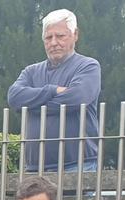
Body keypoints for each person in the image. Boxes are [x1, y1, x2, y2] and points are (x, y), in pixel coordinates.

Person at [7, 9, 101, 172]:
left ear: (75, 35)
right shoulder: (31, 71)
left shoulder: (88, 66)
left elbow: (77, 98)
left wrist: (33, 105)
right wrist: (52, 90)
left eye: (60, 36)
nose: (54, 42)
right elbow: (14, 97)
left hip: (78, 165)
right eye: (48, 37)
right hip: (35, 168)